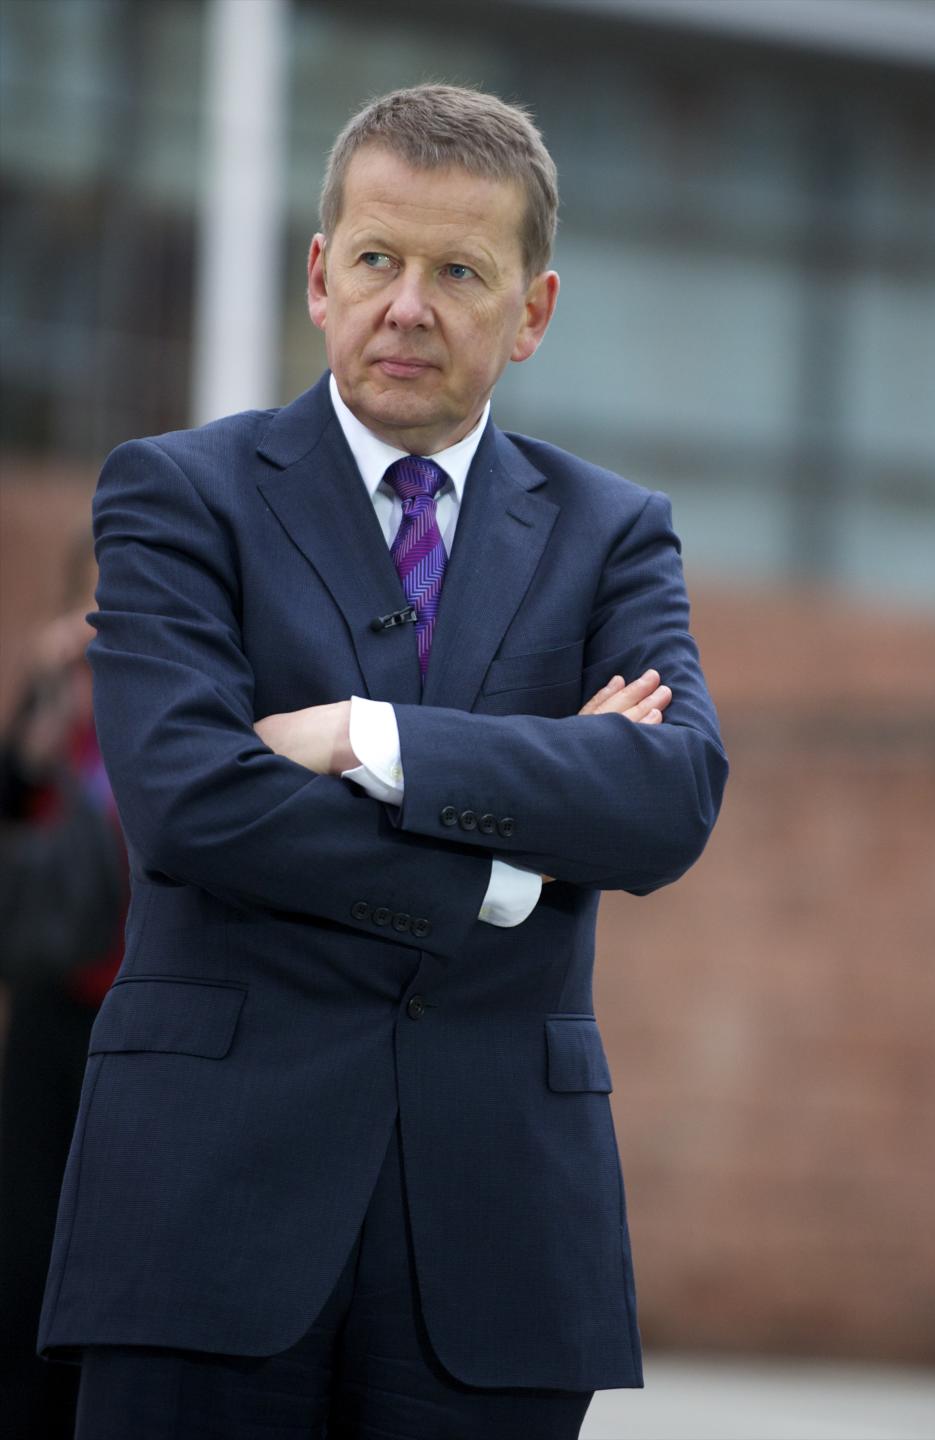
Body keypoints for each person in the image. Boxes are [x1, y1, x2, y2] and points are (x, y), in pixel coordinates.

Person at [39, 85, 727, 1438]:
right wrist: (508, 869)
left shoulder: (613, 534)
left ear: (529, 310)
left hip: (501, 1242)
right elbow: (189, 806)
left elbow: (669, 799)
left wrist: (374, 738)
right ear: (319, 274)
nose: (406, 305)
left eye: (458, 272)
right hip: (203, 1215)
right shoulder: (179, 497)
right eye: (377, 260)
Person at [0, 536, 127, 1440]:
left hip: (141, 1016)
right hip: (55, 1005)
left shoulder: (168, 710)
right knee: (24, 1250)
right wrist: (43, 698)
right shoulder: (62, 709)